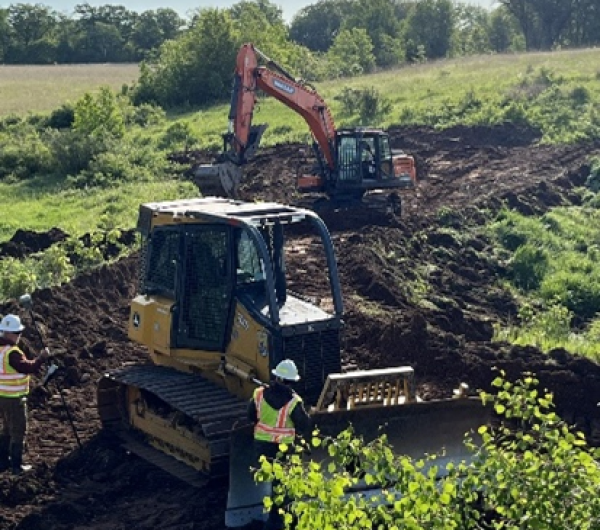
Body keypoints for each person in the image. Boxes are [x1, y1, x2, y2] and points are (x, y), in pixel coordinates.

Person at [247, 359, 311, 530]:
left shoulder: (259, 394)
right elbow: (304, 425)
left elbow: (250, 416)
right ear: (290, 381)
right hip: (283, 450)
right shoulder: (293, 402)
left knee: (272, 482)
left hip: (261, 448)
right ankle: (280, 521)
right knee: (283, 486)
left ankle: (274, 518)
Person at [0, 314, 49, 475]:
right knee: (18, 430)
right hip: (14, 398)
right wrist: (41, 358)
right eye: (17, 333)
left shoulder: (1, 351)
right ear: (9, 334)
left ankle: (3, 462)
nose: (19, 336)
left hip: (3, 397)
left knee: (7, 429)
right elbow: (27, 367)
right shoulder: (12, 352)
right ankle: (16, 466)